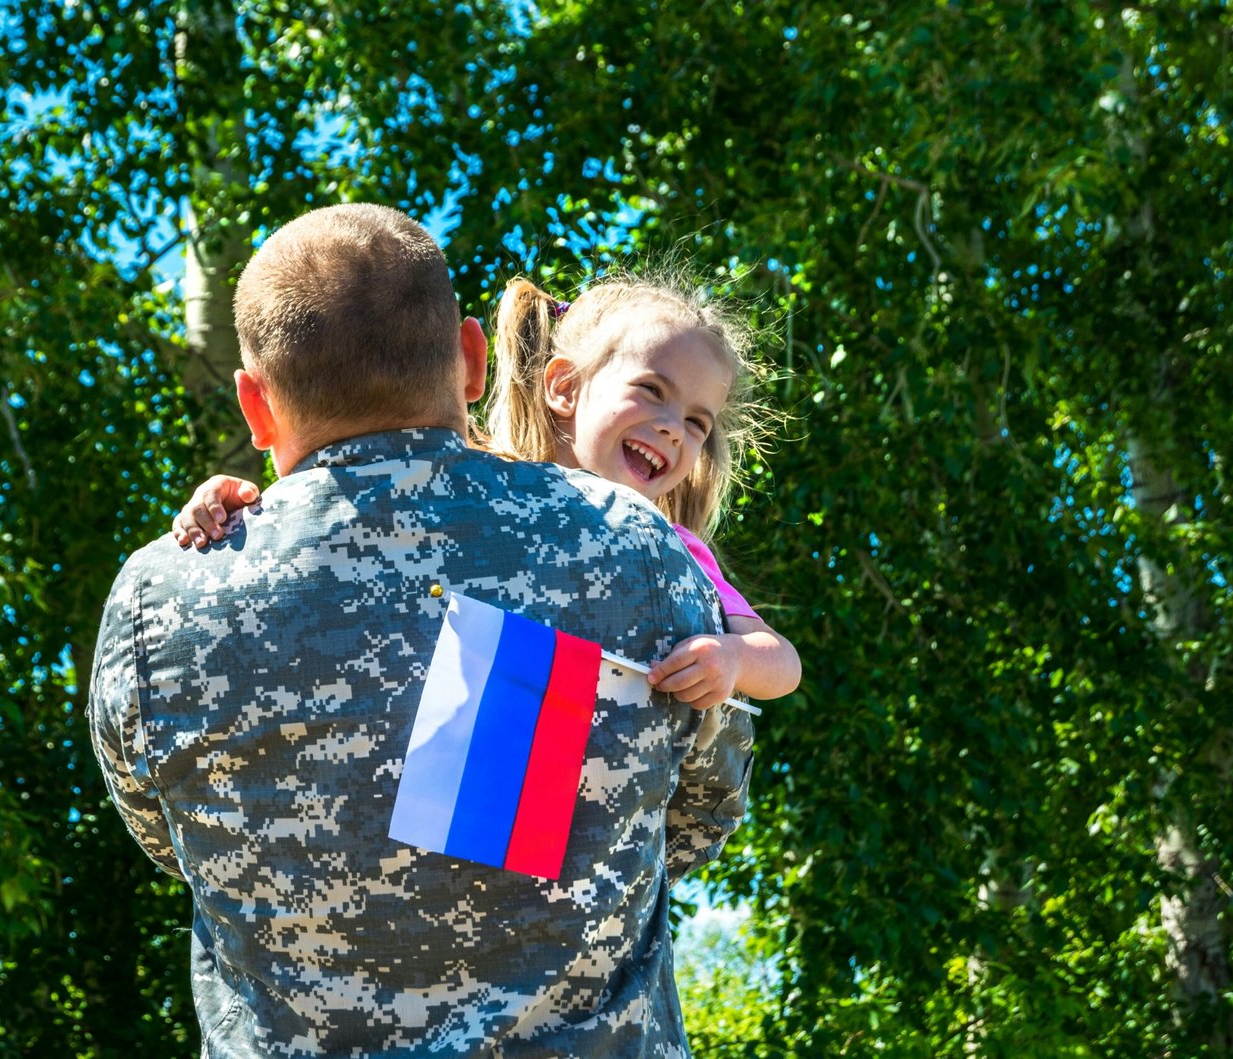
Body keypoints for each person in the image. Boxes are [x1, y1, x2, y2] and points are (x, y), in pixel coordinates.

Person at [89, 203, 753, 1057]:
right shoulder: (626, 550)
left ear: (255, 407)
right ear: (471, 359)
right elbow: (699, 817)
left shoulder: (160, 596)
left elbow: (166, 839)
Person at [176, 274, 801, 709]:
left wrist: (734, 660)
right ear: (564, 388)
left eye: (697, 422)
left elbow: (781, 659)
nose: (673, 427)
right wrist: (246, 507)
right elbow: (354, 513)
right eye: (651, 391)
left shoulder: (679, 551)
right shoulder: (466, 480)